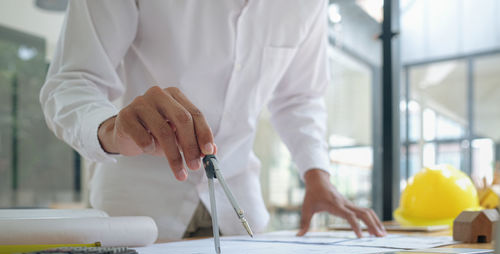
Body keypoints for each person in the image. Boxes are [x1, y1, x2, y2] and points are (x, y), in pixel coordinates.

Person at [40, 0, 386, 240]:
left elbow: (299, 97)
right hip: (137, 210)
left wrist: (317, 175)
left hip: (241, 211)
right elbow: (72, 80)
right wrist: (112, 130)